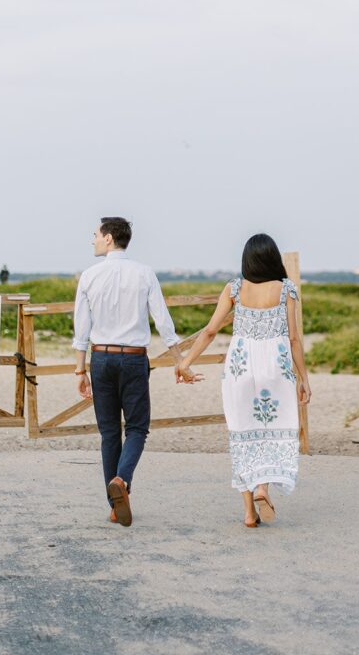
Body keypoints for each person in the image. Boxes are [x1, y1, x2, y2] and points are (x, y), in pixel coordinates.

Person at [175, 233, 311, 527]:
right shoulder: (286, 289)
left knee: (243, 433)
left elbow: (210, 331)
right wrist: (304, 379)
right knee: (271, 429)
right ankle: (263, 487)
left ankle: (249, 513)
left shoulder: (234, 288)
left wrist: (185, 362)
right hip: (276, 367)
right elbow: (294, 338)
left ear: (247, 260)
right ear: (273, 258)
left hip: (240, 366)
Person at [72, 217, 195, 526]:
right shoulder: (144, 273)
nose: (93, 240)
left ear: (110, 238)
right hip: (134, 358)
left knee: (109, 432)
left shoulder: (89, 276)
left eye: (96, 235)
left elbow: (81, 329)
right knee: (137, 428)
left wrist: (79, 370)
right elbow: (163, 323)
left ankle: (115, 506)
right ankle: (122, 481)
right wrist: (180, 360)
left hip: (101, 358)